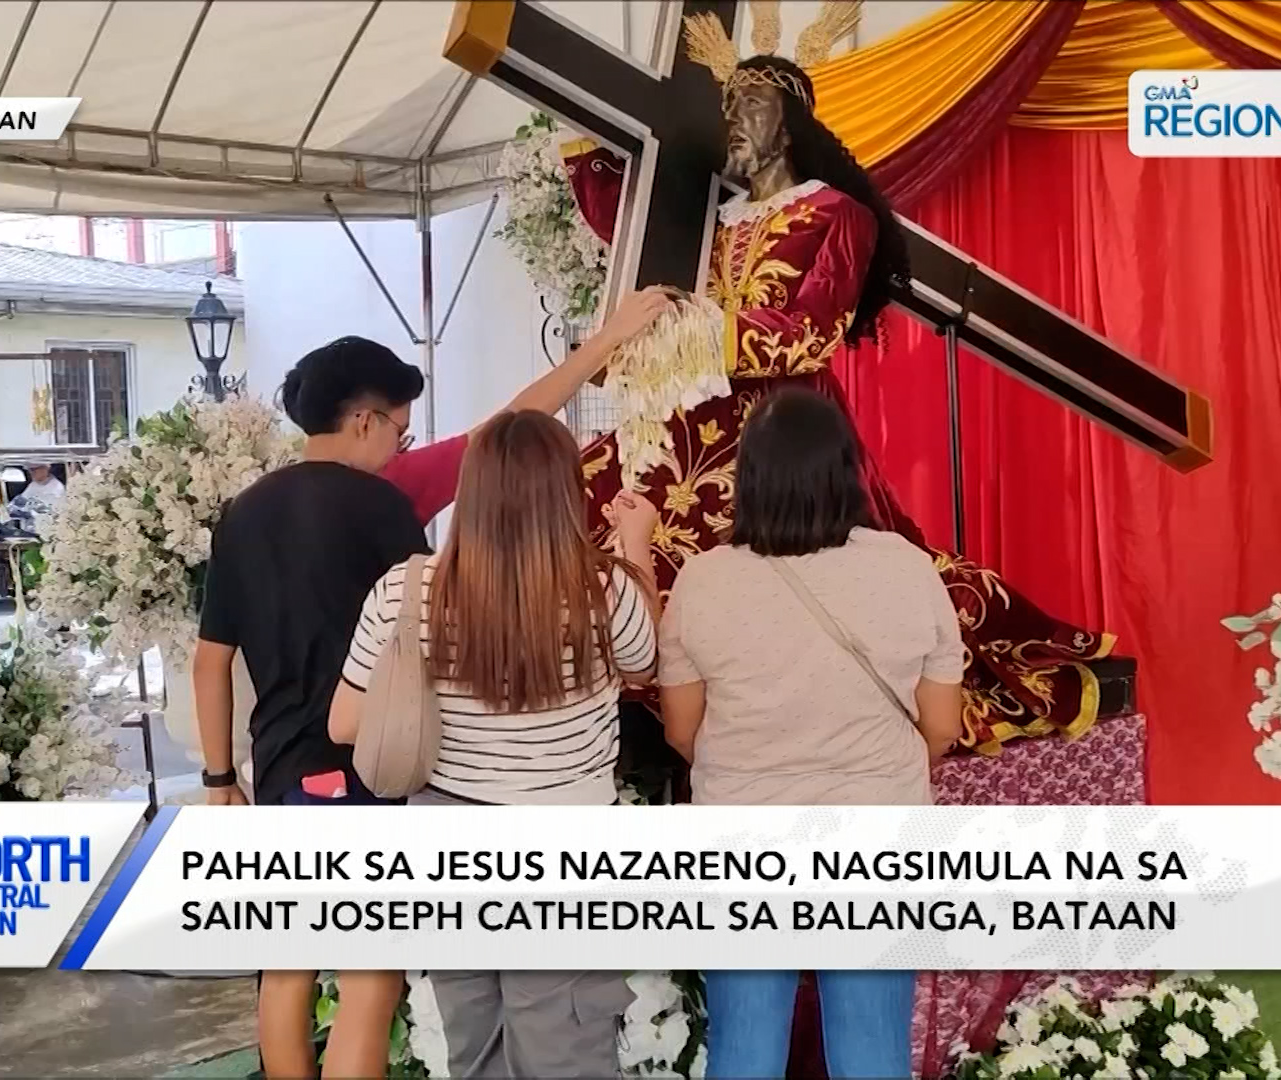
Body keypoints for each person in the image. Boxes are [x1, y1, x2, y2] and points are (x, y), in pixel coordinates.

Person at [565, 6, 1115, 756]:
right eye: (729, 106)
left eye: (751, 105)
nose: (734, 121)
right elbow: (632, 231)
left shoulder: (838, 213)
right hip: (698, 418)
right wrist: (586, 125)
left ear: (790, 124)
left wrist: (704, 329)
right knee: (574, 490)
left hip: (786, 427)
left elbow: (812, 332)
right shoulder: (716, 219)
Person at [189, 290, 668, 1080]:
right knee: (370, 978)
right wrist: (608, 339)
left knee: (288, 965)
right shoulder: (392, 497)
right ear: (365, 421)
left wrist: (218, 779)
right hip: (383, 766)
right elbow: (508, 430)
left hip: (281, 769)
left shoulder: (244, 512)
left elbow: (210, 660)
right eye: (400, 431)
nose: (403, 447)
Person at [329, 409, 660, 1079]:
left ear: (472, 490)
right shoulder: (603, 589)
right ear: (566, 493)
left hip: (448, 845)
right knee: (567, 1051)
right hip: (568, 849)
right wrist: (636, 544)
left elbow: (344, 723)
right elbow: (646, 664)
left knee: (474, 1049)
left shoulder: (406, 590)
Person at [656, 388, 964, 1079]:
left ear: (747, 477)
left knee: (745, 1050)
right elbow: (942, 727)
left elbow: (682, 731)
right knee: (870, 1053)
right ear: (847, 470)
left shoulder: (703, 581)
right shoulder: (906, 568)